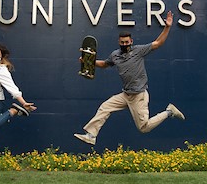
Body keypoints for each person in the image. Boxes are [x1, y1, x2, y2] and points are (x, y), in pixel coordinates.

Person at [74, 11, 185, 146]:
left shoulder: (139, 51)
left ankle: (169, 112)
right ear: (119, 42)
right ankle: (91, 135)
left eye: (127, 42)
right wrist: (88, 61)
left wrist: (167, 27)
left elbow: (158, 43)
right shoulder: (115, 55)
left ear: (131, 41)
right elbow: (104, 64)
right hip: (126, 94)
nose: (125, 44)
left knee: (143, 128)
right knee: (105, 107)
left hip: (139, 96)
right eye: (122, 42)